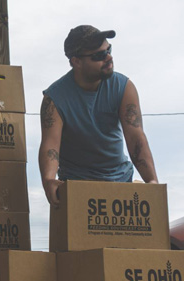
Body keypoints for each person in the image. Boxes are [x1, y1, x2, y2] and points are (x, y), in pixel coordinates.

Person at [39, 25, 158, 206]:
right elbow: (50, 145)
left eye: (108, 50)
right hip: (76, 187)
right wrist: (49, 181)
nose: (109, 58)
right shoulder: (54, 99)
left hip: (120, 183)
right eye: (99, 55)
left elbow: (136, 138)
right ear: (76, 61)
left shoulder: (124, 87)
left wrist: (152, 182)